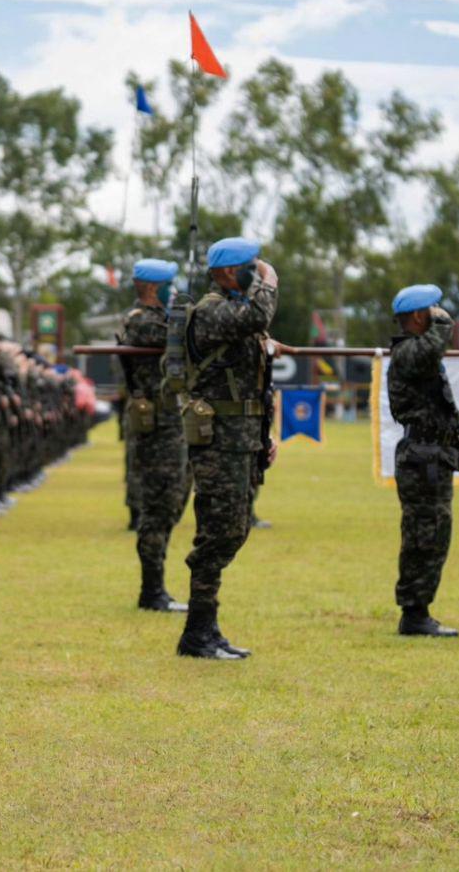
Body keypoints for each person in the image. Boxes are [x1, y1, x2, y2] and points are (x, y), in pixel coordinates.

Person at [176, 237, 278, 660]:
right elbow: (257, 313)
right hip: (219, 440)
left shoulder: (232, 313)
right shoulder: (212, 310)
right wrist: (270, 282)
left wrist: (262, 434)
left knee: (234, 529)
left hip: (240, 436)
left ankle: (206, 627)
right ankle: (197, 633)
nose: (257, 273)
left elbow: (254, 380)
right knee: (220, 532)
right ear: (225, 273)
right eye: (250, 267)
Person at [387, 284, 459, 638]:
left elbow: (440, 405)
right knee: (423, 535)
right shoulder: (410, 353)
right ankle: (414, 613)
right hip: (422, 458)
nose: (439, 313)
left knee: (434, 534)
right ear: (420, 316)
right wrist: (443, 322)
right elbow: (436, 342)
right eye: (432, 309)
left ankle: (419, 610)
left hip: (434, 454)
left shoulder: (421, 353)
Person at [118, 259, 188, 613]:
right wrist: (182, 312)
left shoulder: (161, 319)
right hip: (157, 428)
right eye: (169, 285)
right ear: (151, 287)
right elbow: (177, 336)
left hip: (172, 425)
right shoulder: (141, 321)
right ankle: (152, 590)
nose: (173, 290)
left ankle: (156, 587)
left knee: (173, 502)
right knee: (158, 508)